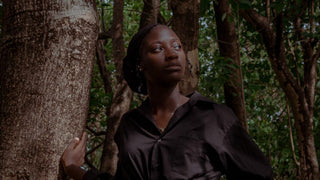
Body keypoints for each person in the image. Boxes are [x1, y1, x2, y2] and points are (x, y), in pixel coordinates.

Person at [61, 24, 273, 180]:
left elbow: (260, 175)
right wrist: (73, 168)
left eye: (177, 47)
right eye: (158, 49)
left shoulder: (214, 117)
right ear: (140, 64)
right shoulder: (130, 125)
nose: (172, 55)